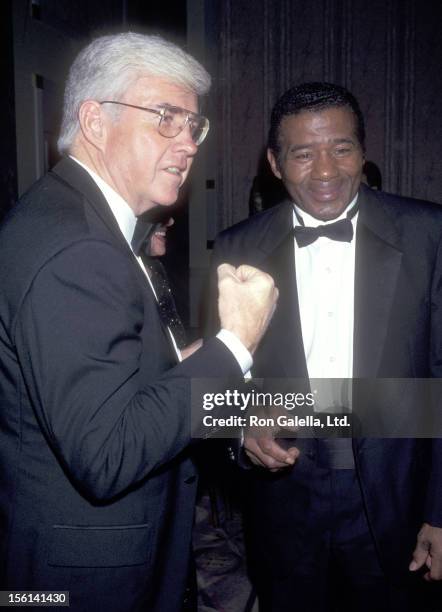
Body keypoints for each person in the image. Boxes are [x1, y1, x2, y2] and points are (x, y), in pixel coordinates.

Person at [0, 33, 278, 612]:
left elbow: (98, 385)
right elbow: (106, 454)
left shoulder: (79, 219)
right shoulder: (78, 245)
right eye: (165, 118)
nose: (188, 143)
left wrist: (176, 362)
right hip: (79, 581)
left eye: (192, 126)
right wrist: (234, 346)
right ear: (95, 122)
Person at [208, 82, 442, 611]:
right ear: (274, 162)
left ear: (363, 151)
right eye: (303, 153)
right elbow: (219, 381)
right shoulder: (236, 246)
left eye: (342, 148)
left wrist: (440, 510)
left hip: (397, 491)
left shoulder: (429, 234)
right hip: (285, 494)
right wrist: (242, 426)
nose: (327, 171)